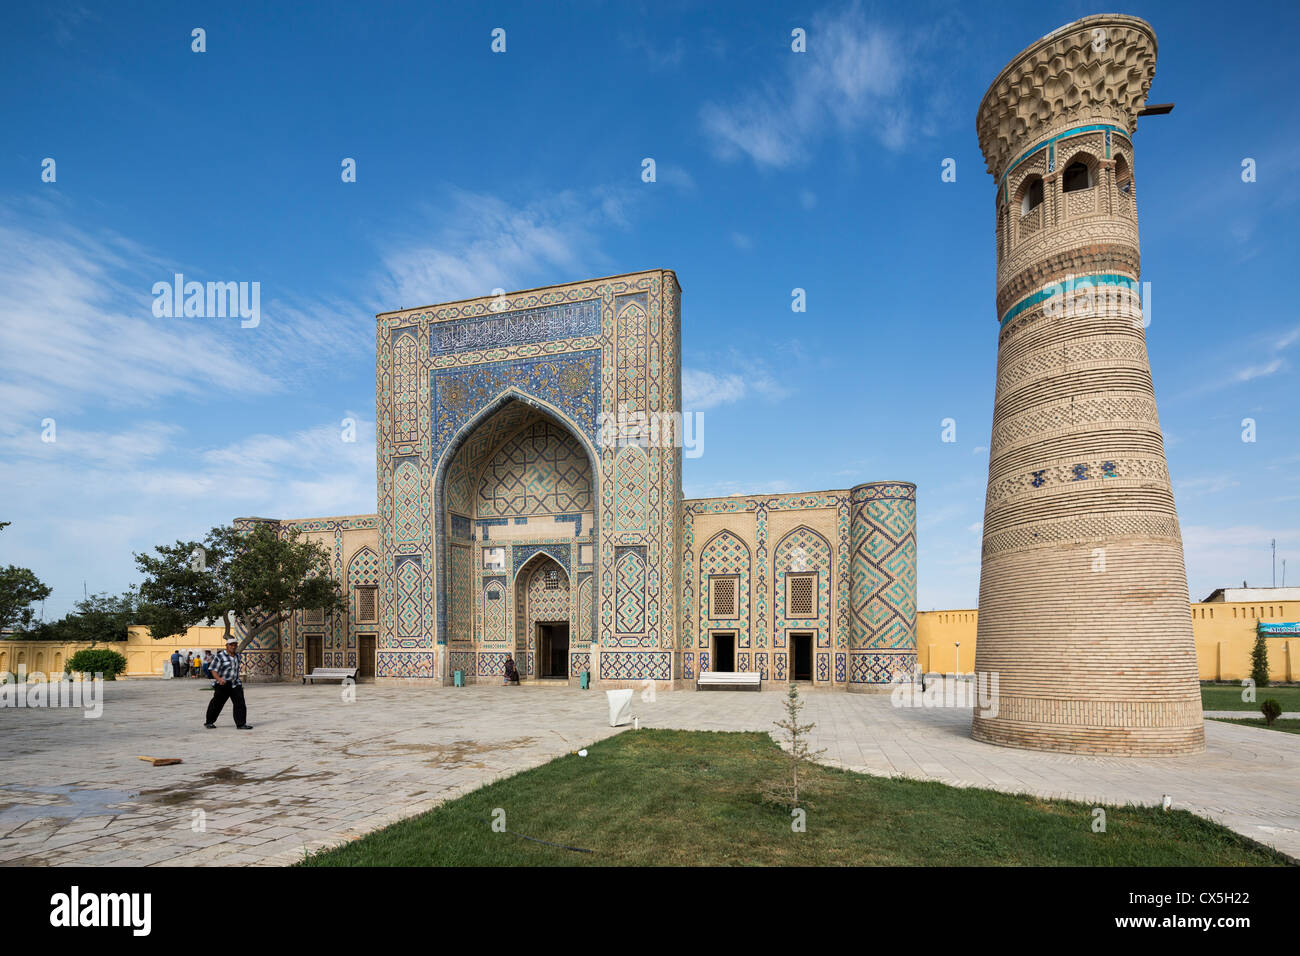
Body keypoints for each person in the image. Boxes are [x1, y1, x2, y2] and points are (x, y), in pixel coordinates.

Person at [205, 637, 252, 729]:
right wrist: (219, 679)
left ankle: (241, 724)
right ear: (226, 646)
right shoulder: (220, 656)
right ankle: (209, 722)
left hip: (235, 683)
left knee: (240, 703)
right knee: (217, 703)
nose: (233, 647)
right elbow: (213, 670)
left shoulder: (238, 656)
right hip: (223, 684)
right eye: (231, 645)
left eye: (235, 645)